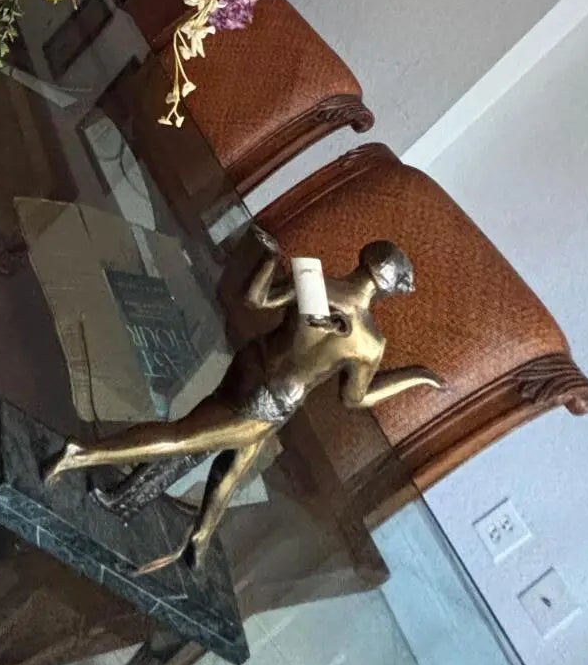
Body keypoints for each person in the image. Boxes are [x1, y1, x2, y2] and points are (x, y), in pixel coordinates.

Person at [45, 236, 443, 569]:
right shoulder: (371, 343)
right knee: (184, 439)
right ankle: (81, 454)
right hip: (271, 403)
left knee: (234, 468)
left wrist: (269, 259)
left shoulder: (314, 279)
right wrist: (413, 376)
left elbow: (256, 300)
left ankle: (199, 538)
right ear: (391, 290)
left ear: (363, 258)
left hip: (250, 364)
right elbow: (355, 398)